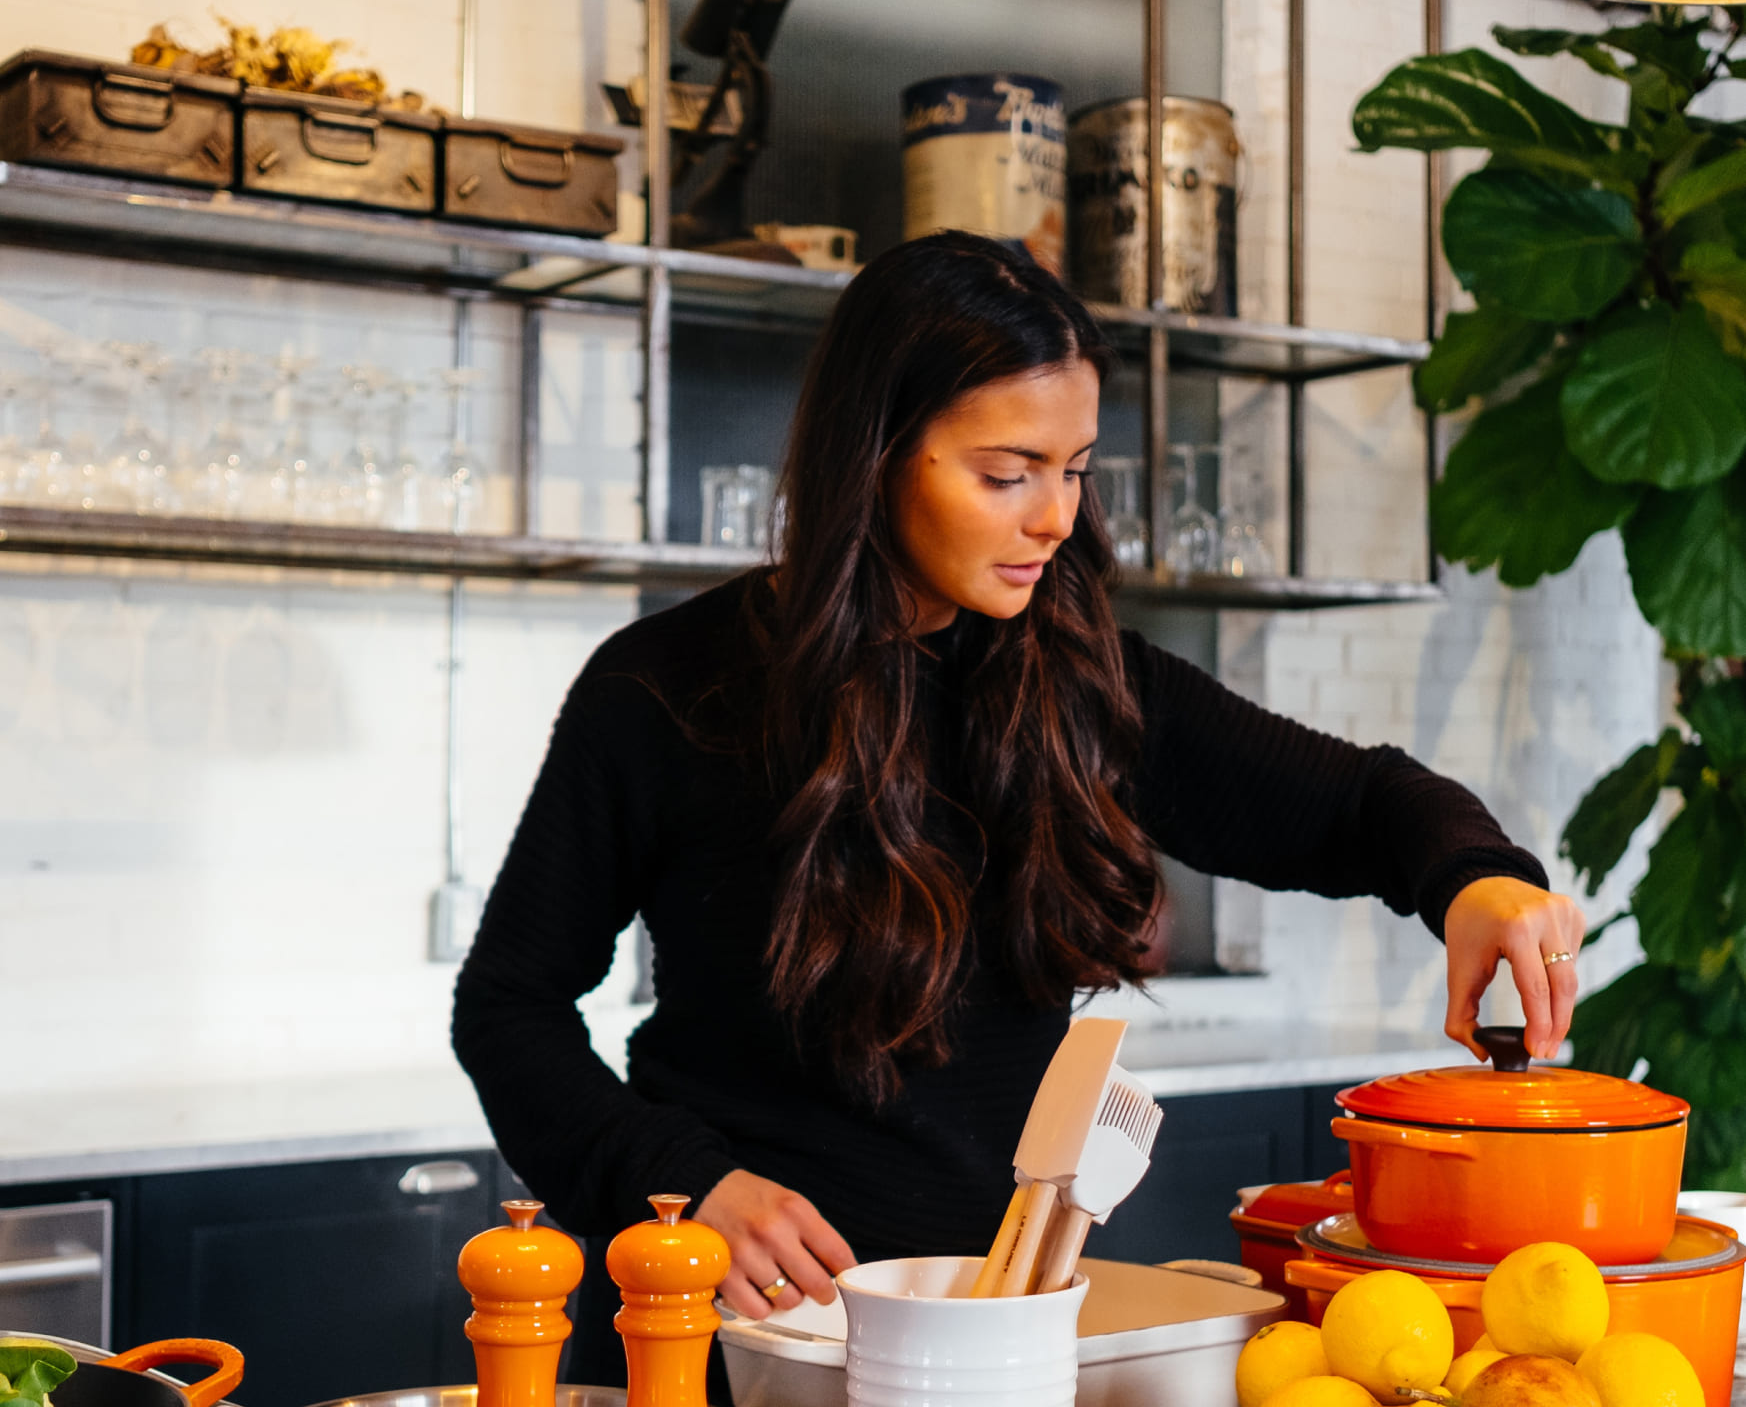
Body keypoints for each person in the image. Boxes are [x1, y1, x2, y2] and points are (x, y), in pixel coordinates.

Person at [452, 231, 1582, 1342]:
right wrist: (683, 1183)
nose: (1055, 517)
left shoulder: (1084, 681)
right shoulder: (666, 689)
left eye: (1075, 470)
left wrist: (1475, 878)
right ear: (878, 451)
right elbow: (508, 1008)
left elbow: (1360, 805)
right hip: (719, 1342)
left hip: (986, 1345)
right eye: (1008, 473)